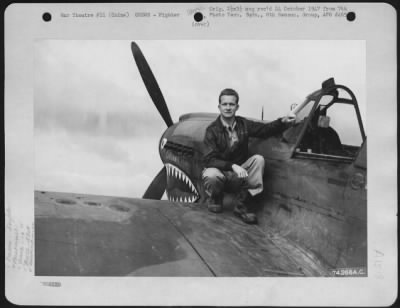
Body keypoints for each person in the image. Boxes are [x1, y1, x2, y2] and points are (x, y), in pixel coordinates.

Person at [202, 88, 296, 224]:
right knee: (210, 174)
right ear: (219, 107)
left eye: (231, 104)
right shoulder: (211, 130)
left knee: (258, 160)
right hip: (221, 174)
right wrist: (232, 166)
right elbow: (209, 159)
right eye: (225, 104)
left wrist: (283, 121)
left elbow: (265, 129)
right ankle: (216, 198)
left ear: (237, 107)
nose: (228, 108)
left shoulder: (243, 124)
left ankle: (243, 205)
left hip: (238, 176)